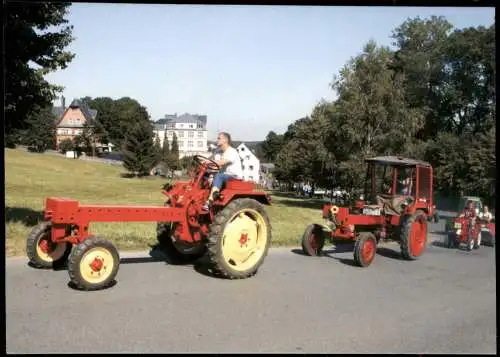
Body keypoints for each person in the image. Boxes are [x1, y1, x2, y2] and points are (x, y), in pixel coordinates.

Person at [202, 132, 243, 211]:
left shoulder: (231, 151)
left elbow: (221, 162)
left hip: (234, 176)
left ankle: (210, 201)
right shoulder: (220, 152)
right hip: (225, 175)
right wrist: (210, 173)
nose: (217, 140)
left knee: (219, 176)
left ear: (225, 140)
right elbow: (215, 165)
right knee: (205, 177)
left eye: (219, 138)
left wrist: (208, 162)